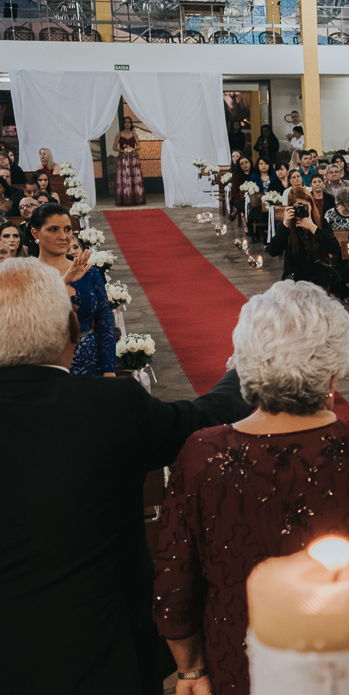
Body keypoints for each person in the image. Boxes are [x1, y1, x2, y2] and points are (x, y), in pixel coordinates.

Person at [153, 281, 349, 695]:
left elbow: (174, 584)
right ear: (335, 368)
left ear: (246, 363)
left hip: (248, 662)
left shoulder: (204, 454)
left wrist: (191, 670)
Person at [0, 259, 250, 695]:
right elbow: (201, 421)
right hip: (102, 655)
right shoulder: (108, 406)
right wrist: (245, 369)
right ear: (72, 330)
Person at [31, 204, 117, 376]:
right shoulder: (25, 274)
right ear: (36, 233)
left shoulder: (89, 272)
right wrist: (64, 281)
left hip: (90, 366)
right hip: (44, 366)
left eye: (68, 229)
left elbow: (105, 322)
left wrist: (109, 370)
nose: (63, 237)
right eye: (53, 229)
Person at [267, 189, 341, 288]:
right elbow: (273, 251)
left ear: (312, 206)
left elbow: (335, 249)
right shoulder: (287, 226)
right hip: (295, 280)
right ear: (291, 208)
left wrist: (314, 228)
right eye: (299, 206)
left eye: (306, 206)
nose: (302, 209)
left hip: (318, 279)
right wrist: (285, 225)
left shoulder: (320, 222)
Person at [112, 116, 146, 206]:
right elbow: (114, 147)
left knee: (135, 177)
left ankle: (136, 198)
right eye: (125, 122)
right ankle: (126, 198)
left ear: (131, 124)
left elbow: (139, 146)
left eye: (129, 122)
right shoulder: (119, 134)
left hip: (133, 157)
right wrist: (122, 150)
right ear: (123, 123)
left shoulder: (134, 134)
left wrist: (134, 149)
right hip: (123, 158)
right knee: (125, 178)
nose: (127, 124)